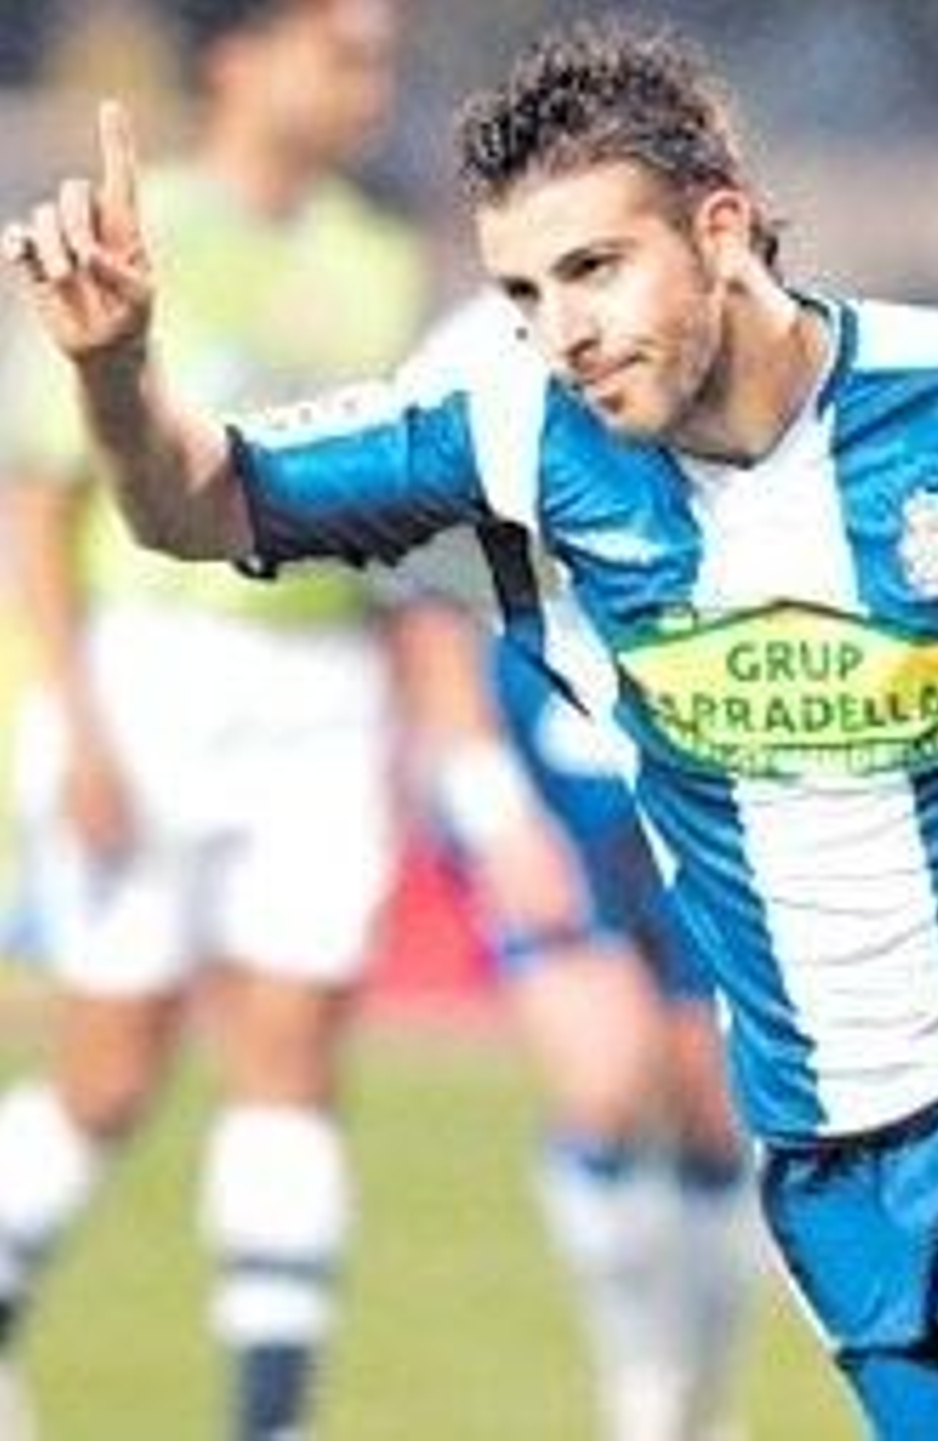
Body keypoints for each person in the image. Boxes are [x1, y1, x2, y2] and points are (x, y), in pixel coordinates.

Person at [1, 21, 938, 1438]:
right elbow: (198, 503)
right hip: (839, 1124)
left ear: (720, 228)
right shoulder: (516, 448)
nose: (563, 330)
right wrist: (118, 368)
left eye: (594, 268)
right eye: (523, 290)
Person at [0, 2, 425, 1437]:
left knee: (294, 1046)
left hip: (319, 689)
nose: (370, 84)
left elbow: (393, 525)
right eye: (343, 52)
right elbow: (37, 505)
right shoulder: (136, 224)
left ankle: (268, 1415)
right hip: (152, 671)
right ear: (240, 57)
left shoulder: (380, 260)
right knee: (111, 1072)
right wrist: (75, 727)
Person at [389, 290, 756, 1441]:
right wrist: (495, 813)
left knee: (714, 1111)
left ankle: (700, 1408)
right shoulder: (465, 362)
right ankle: (637, 1392)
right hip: (546, 790)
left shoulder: (721, 328)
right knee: (605, 1081)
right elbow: (427, 607)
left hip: (703, 784)